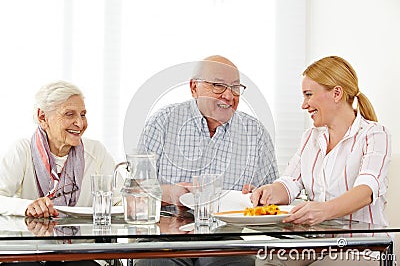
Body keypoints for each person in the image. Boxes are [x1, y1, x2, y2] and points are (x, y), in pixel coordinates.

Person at [250, 56, 391, 265]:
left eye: (309, 95)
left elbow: (366, 190)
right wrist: (269, 192)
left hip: (361, 247)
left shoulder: (374, 134)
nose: (304, 105)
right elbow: (289, 183)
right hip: (316, 244)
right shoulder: (310, 137)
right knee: (265, 260)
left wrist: (323, 210)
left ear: (336, 93)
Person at [0, 81, 117, 266]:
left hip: (80, 253)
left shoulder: (96, 152)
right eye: (69, 114)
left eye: (83, 114)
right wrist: (28, 206)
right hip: (31, 252)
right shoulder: (22, 150)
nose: (80, 123)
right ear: (42, 117)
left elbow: (120, 202)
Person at [139, 55, 279, 206]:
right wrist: (170, 194)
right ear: (194, 88)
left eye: (235, 87)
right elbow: (134, 193)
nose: (228, 95)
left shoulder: (256, 134)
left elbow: (275, 199)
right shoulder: (161, 123)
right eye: (218, 85)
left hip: (233, 228)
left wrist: (260, 197)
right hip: (169, 226)